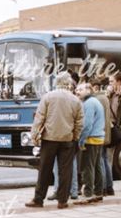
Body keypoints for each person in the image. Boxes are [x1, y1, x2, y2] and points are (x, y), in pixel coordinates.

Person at [25, 73, 82, 209]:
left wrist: (34, 135)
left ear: (56, 82)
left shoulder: (48, 97)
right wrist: (75, 136)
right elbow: (79, 122)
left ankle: (38, 199)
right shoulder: (75, 100)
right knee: (65, 170)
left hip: (49, 138)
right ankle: (62, 201)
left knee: (44, 169)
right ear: (68, 84)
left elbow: (39, 118)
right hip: (67, 139)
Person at [77, 82, 106, 203]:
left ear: (88, 91)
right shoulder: (95, 101)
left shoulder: (89, 103)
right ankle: (98, 192)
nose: (77, 91)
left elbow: (87, 125)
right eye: (77, 89)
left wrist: (81, 140)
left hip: (91, 139)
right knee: (97, 166)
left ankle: (88, 193)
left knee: (87, 167)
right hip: (98, 138)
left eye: (80, 89)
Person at [93, 78, 114, 196]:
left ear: (95, 87)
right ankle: (110, 187)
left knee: (100, 160)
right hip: (106, 132)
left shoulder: (97, 99)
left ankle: (104, 187)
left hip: (99, 133)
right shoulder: (105, 98)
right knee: (106, 159)